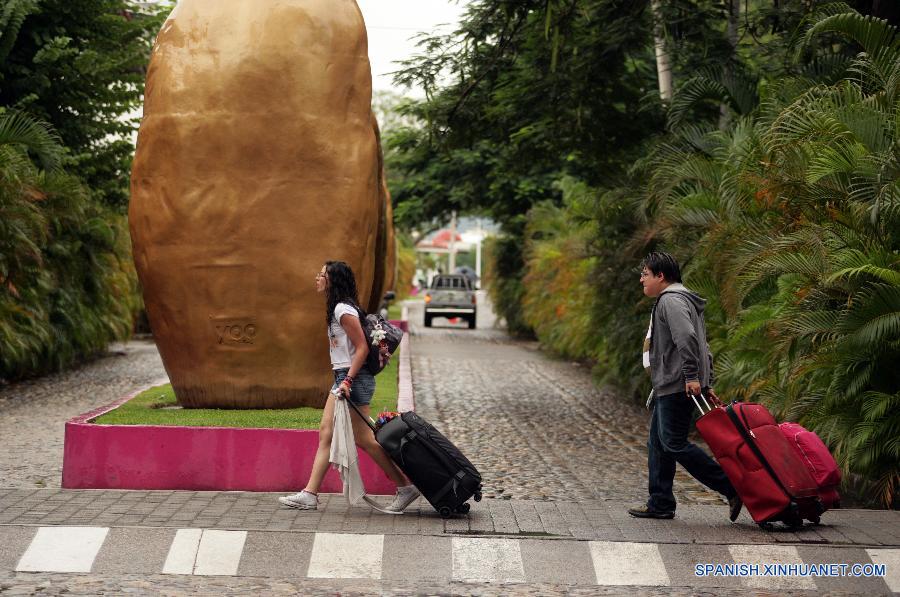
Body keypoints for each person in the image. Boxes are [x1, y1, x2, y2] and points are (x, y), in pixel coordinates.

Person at [278, 261, 420, 513]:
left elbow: (363, 347)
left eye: (321, 274)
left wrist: (347, 380)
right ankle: (310, 494)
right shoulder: (339, 308)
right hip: (344, 377)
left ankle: (405, 487)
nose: (317, 278)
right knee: (326, 433)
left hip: (353, 379)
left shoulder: (343, 310)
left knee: (365, 438)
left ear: (332, 280)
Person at [628, 252, 743, 522]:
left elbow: (688, 338)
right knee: (657, 444)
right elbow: (703, 345)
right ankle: (660, 502)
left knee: (673, 443)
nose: (642, 279)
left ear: (661, 276)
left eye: (645, 273)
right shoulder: (680, 299)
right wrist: (706, 381)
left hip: (677, 385)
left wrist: (693, 377)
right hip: (675, 383)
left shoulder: (671, 300)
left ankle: (731, 487)